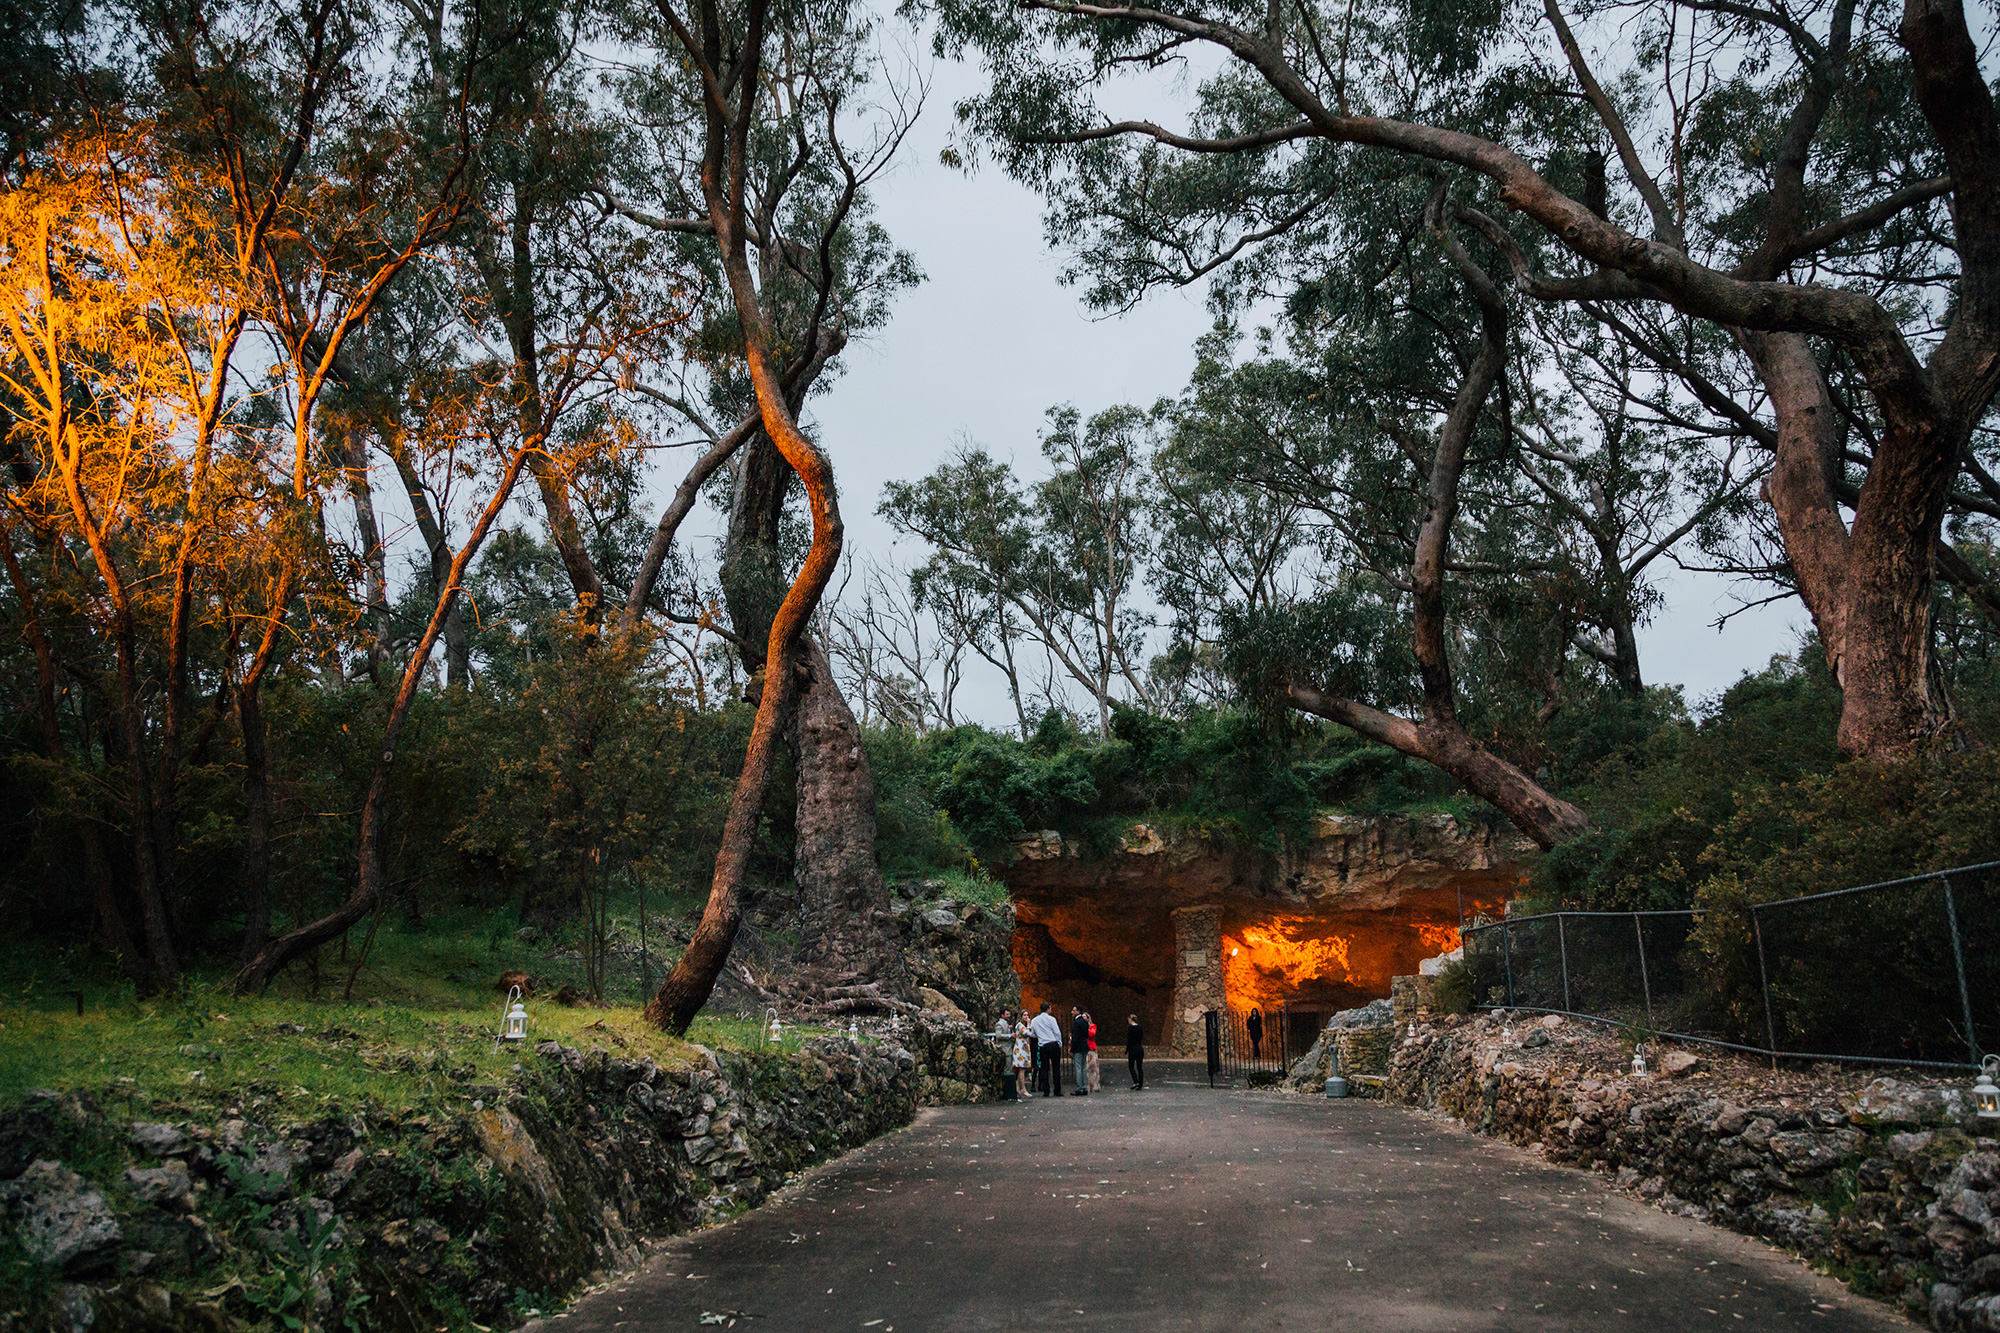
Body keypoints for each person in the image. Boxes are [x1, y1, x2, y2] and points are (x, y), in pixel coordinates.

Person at [1029, 1002, 1064, 1097]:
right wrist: (1059, 1043)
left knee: (1044, 1068)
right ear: (1048, 1009)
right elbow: (1057, 1032)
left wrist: (1040, 1035)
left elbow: (1032, 1033)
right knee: (1056, 1068)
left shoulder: (1035, 1020)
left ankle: (1046, 1090)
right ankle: (1057, 1090)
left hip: (1043, 1045)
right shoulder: (1051, 1019)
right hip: (1053, 1043)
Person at [996, 1010, 1018, 1100]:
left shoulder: (1006, 1024)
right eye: (1007, 1014)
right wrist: (1010, 1035)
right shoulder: (999, 1024)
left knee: (1009, 1068)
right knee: (1007, 1069)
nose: (1009, 1016)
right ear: (1002, 1015)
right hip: (1005, 1048)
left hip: (1008, 1048)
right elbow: (998, 1035)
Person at [1069, 1007, 1091, 1096]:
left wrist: (1071, 1049)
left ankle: (1079, 1087)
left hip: (1077, 1046)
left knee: (1078, 1067)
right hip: (1084, 1045)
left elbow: (1075, 1037)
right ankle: (1084, 1087)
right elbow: (1086, 1035)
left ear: (1078, 1012)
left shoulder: (1076, 1023)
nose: (1072, 1012)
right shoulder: (1085, 1022)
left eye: (1073, 1010)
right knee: (1084, 1067)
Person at [1012, 1012, 1033, 1095]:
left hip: (1024, 1048)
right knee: (1022, 1069)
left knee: (1020, 1069)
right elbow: (1026, 1033)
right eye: (1024, 1015)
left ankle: (1018, 1088)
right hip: (1020, 1049)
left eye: (1028, 1015)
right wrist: (1029, 1024)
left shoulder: (1022, 1026)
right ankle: (1023, 1089)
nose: (1026, 1017)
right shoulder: (1020, 1025)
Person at [1126, 1013, 1145, 1091]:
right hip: (1139, 1048)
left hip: (1133, 1049)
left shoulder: (1130, 1028)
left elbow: (1129, 1040)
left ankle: (1136, 1081)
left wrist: (1127, 1050)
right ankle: (1140, 1083)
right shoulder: (1140, 1028)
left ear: (1130, 1019)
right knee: (1139, 1066)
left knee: (1131, 1066)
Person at [1086, 1014, 1101, 1092]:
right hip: (1085, 1049)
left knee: (1094, 1068)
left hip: (1091, 1048)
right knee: (1087, 1068)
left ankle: (1095, 1085)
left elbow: (1092, 1034)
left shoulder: (1092, 1026)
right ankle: (1088, 1085)